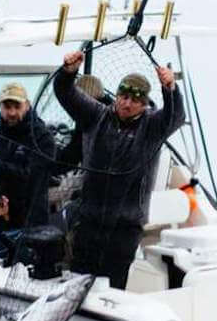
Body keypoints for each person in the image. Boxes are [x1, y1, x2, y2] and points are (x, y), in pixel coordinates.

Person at [53, 51, 185, 289]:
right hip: (89, 221)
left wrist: (170, 88)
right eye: (123, 96)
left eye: (135, 100)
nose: (126, 103)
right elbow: (65, 92)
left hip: (125, 226)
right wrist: (68, 72)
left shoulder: (152, 126)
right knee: (77, 282)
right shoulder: (96, 115)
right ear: (116, 96)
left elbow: (176, 115)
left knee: (113, 287)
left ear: (144, 104)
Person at [0, 82, 56, 257]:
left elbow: (33, 176)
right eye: (7, 106)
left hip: (33, 224)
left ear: (27, 105)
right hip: (0, 224)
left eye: (17, 106)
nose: (11, 112)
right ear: (0, 107)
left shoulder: (43, 138)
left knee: (31, 276)